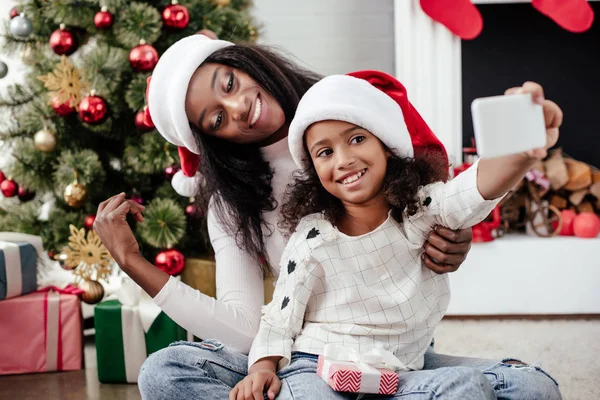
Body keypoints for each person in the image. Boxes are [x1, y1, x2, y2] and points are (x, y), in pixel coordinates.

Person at [91, 35, 558, 399]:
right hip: (305, 355)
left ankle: (404, 391)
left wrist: (519, 150)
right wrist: (137, 265)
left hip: (397, 351)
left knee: (532, 388)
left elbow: (459, 196)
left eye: (229, 84)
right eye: (215, 120)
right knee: (165, 373)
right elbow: (257, 329)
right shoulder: (281, 223)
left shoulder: (354, 108)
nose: (237, 108)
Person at [229, 70, 563, 400]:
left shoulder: (423, 207)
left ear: (386, 145)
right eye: (325, 152)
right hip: (318, 364)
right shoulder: (312, 237)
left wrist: (518, 152)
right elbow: (280, 318)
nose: (344, 160)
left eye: (357, 139)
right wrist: (262, 369)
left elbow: (471, 192)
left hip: (400, 371)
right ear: (314, 169)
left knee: (535, 387)